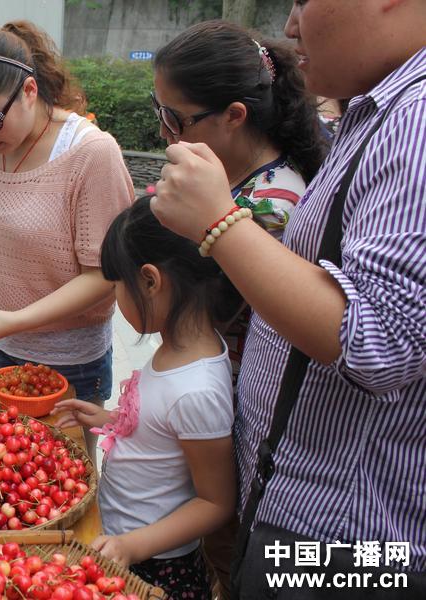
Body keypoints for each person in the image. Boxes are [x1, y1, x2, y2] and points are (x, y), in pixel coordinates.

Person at [152, 0, 426, 595]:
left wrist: (218, 222)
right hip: (298, 505)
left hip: (345, 544)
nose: (292, 23)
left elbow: (376, 339)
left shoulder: (418, 120)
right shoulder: (378, 112)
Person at [151, 20, 327, 596]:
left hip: (233, 415)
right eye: (161, 112)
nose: (165, 132)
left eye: (177, 118)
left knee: (223, 551)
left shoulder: (271, 204)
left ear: (234, 115)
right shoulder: (228, 181)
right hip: (215, 403)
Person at [0, 22, 134, 444]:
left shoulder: (91, 154)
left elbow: (105, 274)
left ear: (29, 91)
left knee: (56, 488)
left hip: (66, 365)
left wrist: (12, 322)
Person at [52, 197, 238, 600]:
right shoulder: (176, 348)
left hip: (158, 565)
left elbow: (216, 502)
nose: (117, 299)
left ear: (150, 281)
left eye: (118, 286)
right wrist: (108, 418)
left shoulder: (197, 390)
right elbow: (161, 429)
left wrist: (134, 546)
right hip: (122, 538)